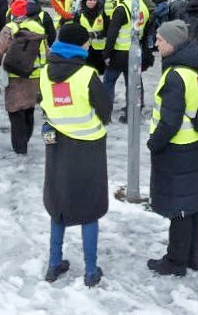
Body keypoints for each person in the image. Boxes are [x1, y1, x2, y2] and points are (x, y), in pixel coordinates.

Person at [39, 23, 111, 287]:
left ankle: (53, 263)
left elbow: (44, 102)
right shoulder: (86, 75)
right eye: (85, 43)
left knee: (58, 203)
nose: (88, 46)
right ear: (78, 46)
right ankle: (91, 270)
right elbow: (105, 110)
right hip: (88, 146)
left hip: (57, 145)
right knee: (88, 205)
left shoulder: (45, 72)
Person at [146, 21, 198, 277]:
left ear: (172, 43)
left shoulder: (174, 75)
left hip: (177, 148)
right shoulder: (195, 68)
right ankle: (194, 257)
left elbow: (169, 121)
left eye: (160, 40)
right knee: (193, 204)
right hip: (195, 143)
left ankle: (175, 261)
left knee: (180, 208)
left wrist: (155, 142)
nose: (156, 44)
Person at [0, 0, 49, 155]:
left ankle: (20, 146)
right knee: (29, 107)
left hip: (15, 74)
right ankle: (25, 138)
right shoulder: (38, 27)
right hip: (35, 74)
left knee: (15, 109)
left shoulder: (9, 28)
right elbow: (46, 51)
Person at [76, 0, 109, 74]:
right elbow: (75, 31)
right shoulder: (79, 14)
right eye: (90, 0)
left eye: (94, 0)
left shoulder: (101, 12)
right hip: (85, 49)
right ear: (85, 1)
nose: (93, 2)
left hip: (99, 50)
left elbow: (107, 28)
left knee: (100, 74)